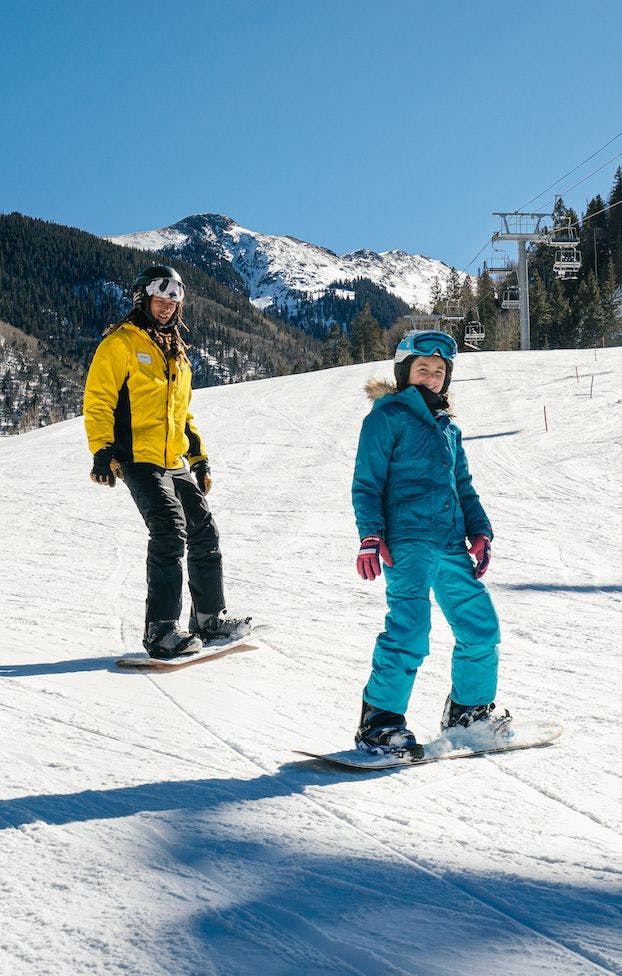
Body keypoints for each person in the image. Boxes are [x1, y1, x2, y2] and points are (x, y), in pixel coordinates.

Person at [351, 329, 509, 757]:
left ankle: (469, 712)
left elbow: (464, 486)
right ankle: (380, 723)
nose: (432, 376)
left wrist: (481, 531)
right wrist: (370, 534)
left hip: (449, 542)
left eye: (440, 371)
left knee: (480, 626)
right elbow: (367, 483)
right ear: (405, 372)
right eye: (423, 368)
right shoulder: (386, 417)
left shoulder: (448, 428)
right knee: (409, 631)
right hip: (406, 543)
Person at [83, 264, 250, 659]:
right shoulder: (120, 343)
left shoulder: (175, 350)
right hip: (136, 456)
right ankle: (161, 630)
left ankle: (208, 617)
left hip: (172, 458)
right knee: (169, 531)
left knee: (204, 531)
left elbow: (182, 412)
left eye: (172, 302)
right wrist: (102, 451)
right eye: (159, 299)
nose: (165, 308)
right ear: (143, 298)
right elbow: (98, 399)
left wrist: (199, 456)